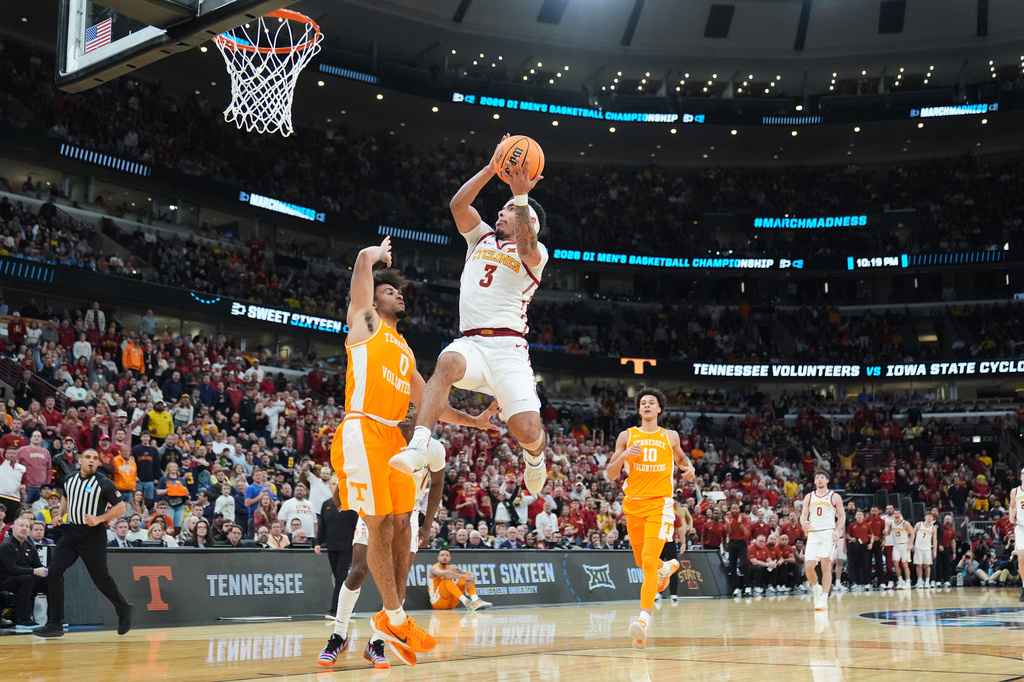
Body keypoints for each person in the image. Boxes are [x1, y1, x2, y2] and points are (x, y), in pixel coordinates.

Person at [326, 237, 497, 669]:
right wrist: (372, 256)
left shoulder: (404, 350)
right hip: (361, 429)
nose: (397, 294)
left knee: (404, 524)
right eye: (389, 290)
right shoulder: (365, 326)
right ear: (375, 300)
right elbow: (361, 273)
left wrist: (473, 421)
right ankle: (394, 619)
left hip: (394, 441)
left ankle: (388, 617)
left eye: (399, 291)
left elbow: (431, 404)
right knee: (378, 526)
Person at [392, 139, 551, 500]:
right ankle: (419, 446)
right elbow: (458, 204)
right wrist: (493, 168)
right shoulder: (479, 238)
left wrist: (521, 196)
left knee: (525, 429)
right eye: (502, 208)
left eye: (509, 210)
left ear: (529, 221)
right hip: (473, 343)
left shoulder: (535, 253)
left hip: (509, 350)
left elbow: (526, 246)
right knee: (446, 362)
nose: (500, 213)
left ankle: (536, 455)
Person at [320, 438, 450, 670]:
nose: (408, 410)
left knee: (399, 582)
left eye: (413, 406)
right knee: (358, 570)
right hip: (375, 504)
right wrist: (342, 487)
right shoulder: (382, 434)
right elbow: (356, 464)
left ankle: (377, 642)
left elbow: (438, 484)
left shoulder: (433, 447)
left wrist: (428, 524)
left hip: (409, 511)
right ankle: (339, 636)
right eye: (405, 405)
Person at [604, 388, 695, 649]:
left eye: (651, 402)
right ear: (639, 409)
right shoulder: (627, 436)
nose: (646, 405)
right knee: (644, 563)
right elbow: (610, 475)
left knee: (646, 562)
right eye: (642, 402)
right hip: (633, 506)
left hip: (661, 505)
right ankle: (668, 567)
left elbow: (682, 461)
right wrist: (623, 455)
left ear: (659, 409)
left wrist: (689, 469)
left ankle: (643, 620)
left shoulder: (670, 436)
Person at [33, 449, 134, 638]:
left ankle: (124, 609)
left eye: (95, 459)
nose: (92, 461)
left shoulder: (104, 482)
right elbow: (65, 498)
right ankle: (54, 623)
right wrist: (60, 514)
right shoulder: (69, 479)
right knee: (54, 571)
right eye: (88, 457)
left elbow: (121, 508)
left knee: (100, 579)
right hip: (71, 532)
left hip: (93, 535)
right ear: (79, 461)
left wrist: (99, 518)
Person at [799, 470, 846, 611]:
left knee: (826, 565)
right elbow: (803, 515)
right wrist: (803, 522)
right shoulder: (808, 496)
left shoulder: (834, 496)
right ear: (814, 481)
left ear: (827, 480)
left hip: (827, 533)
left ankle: (824, 598)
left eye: (822, 477)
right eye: (817, 477)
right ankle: (816, 588)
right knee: (808, 567)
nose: (819, 479)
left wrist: (837, 531)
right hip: (813, 534)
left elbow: (842, 516)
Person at [0, 517, 48, 628]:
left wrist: (47, 571)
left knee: (51, 579)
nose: (24, 529)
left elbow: (38, 566)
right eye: (21, 526)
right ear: (13, 528)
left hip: (25, 577)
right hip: (6, 580)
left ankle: (54, 619)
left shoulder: (30, 547)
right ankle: (23, 618)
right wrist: (34, 571)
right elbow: (12, 570)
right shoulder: (6, 546)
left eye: (27, 526)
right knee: (27, 579)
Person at [427, 548, 492, 611]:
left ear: (450, 558)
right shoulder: (434, 568)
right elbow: (446, 574)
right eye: (442, 555)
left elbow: (470, 574)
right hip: (438, 602)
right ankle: (466, 602)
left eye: (447, 556)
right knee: (447, 579)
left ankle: (475, 599)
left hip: (451, 603)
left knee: (467, 576)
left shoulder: (452, 568)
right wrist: (463, 577)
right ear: (438, 558)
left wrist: (470, 579)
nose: (444, 557)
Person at [1008, 467, 1024, 601]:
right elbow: (1012, 506)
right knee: (1021, 557)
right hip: (1020, 527)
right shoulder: (1015, 491)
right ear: (1021, 476)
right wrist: (1011, 515)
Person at [910, 511, 938, 588]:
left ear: (933, 518)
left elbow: (935, 540)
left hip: (927, 548)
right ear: (925, 517)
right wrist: (911, 544)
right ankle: (919, 581)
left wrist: (934, 550)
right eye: (927, 516)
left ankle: (927, 582)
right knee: (919, 565)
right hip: (918, 547)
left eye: (930, 516)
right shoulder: (919, 524)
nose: (929, 517)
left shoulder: (933, 528)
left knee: (927, 565)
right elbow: (913, 534)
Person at [890, 509, 914, 590]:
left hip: (904, 545)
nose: (896, 514)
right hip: (896, 545)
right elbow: (888, 532)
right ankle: (900, 580)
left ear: (901, 514)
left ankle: (908, 582)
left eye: (898, 513)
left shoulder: (905, 523)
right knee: (895, 563)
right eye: (895, 513)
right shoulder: (891, 523)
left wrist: (910, 544)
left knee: (905, 564)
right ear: (893, 515)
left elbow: (912, 533)